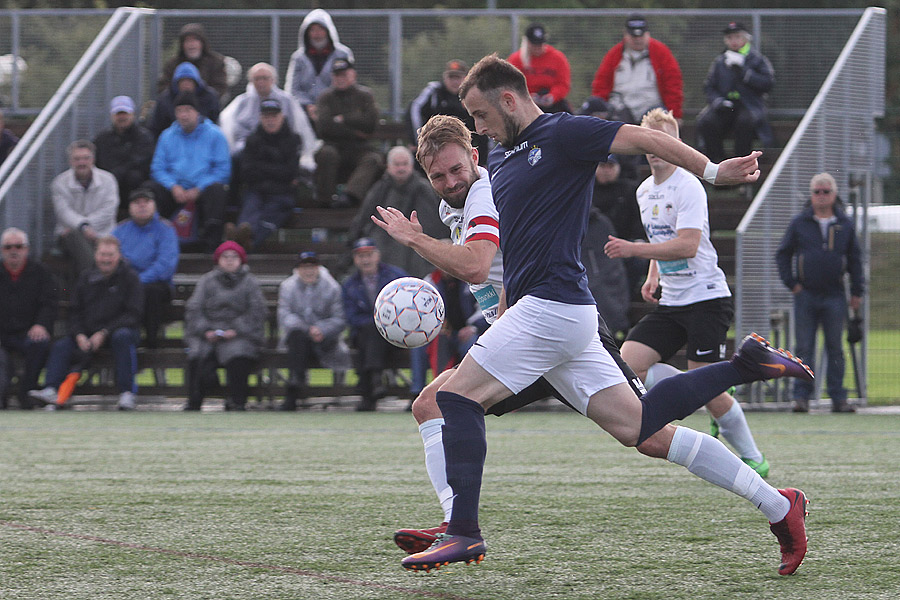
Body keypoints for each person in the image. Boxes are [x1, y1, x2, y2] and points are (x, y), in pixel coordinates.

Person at [391, 54, 810, 575]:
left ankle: (463, 531)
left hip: (552, 307)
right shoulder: (499, 163)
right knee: (642, 430)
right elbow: (491, 265)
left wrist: (713, 170)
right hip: (551, 318)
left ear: (506, 99)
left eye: (479, 115)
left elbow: (646, 138)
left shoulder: (565, 134)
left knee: (451, 397)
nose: (479, 127)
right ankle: (777, 494)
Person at [604, 108, 770, 477]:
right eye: (650, 141)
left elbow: (687, 245)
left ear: (676, 143)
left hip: (706, 298)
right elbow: (660, 238)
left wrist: (634, 251)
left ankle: (754, 457)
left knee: (707, 389)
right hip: (673, 301)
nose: (656, 149)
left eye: (664, 140)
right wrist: (652, 274)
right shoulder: (644, 190)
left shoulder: (689, 184)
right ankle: (710, 394)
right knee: (626, 365)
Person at [775, 172, 864, 413]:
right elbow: (783, 254)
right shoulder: (800, 223)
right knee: (804, 346)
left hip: (835, 294)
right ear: (811, 195)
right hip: (805, 294)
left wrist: (857, 291)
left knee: (835, 346)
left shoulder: (844, 224)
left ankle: (838, 397)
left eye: (826, 191)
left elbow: (855, 259)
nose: (822, 196)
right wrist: (792, 283)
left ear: (834, 195)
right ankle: (801, 397)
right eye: (817, 192)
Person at [29, 236, 142, 411]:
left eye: (110, 255)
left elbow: (133, 314)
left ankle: (127, 393)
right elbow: (75, 311)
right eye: (102, 254)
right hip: (87, 333)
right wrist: (79, 334)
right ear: (96, 255)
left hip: (119, 332)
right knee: (62, 346)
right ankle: (51, 389)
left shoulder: (130, 278)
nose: (106, 259)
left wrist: (105, 332)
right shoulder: (85, 277)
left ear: (119, 255)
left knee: (123, 337)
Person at [183, 241, 265, 411]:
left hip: (240, 334)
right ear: (218, 260)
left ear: (241, 260)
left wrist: (235, 330)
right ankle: (194, 402)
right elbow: (194, 308)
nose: (229, 260)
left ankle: (237, 401)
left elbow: (256, 311)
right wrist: (206, 330)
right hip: (208, 333)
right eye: (225, 257)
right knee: (197, 356)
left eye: (234, 257)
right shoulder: (206, 281)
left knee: (238, 355)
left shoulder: (250, 283)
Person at [149, 90, 231, 252]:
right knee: (150, 190)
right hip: (174, 190)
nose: (183, 115)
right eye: (179, 111)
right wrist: (173, 186)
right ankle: (154, 241)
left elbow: (223, 170)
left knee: (217, 191)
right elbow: (157, 168)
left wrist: (199, 188)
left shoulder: (215, 135)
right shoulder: (167, 136)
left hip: (203, 191)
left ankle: (210, 246)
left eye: (188, 110)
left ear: (197, 112)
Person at [349, 146, 445, 278]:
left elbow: (435, 225)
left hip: (418, 257)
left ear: (412, 166)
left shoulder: (424, 189)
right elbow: (363, 218)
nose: (401, 168)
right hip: (385, 253)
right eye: (397, 164)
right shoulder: (379, 189)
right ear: (388, 166)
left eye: (405, 164)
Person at [277, 251, 350, 410]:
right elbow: (284, 316)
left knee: (300, 339)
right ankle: (295, 383)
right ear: (298, 269)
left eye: (312, 266)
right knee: (297, 336)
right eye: (304, 267)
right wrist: (308, 330)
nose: (308, 271)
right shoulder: (287, 287)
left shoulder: (332, 287)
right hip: (299, 339)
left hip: (326, 339)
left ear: (318, 267)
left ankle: (293, 389)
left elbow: (340, 319)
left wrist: (321, 329)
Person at [341, 237, 407, 412]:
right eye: (361, 256)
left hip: (395, 333)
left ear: (377, 255)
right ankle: (375, 380)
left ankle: (368, 388)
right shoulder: (349, 284)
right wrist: (378, 323)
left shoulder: (395, 276)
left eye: (369, 255)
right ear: (355, 259)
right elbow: (351, 317)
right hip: (364, 334)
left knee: (372, 333)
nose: (365, 260)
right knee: (370, 331)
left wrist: (385, 324)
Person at [696, 22, 775, 163]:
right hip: (726, 106)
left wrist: (745, 73)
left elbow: (767, 84)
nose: (734, 41)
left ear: (745, 39)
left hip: (749, 106)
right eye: (730, 37)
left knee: (744, 123)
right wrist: (718, 101)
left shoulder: (757, 60)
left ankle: (741, 167)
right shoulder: (720, 62)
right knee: (706, 122)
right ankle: (717, 165)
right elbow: (709, 87)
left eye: (737, 37)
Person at [218, 62, 318, 171]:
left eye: (264, 78)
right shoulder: (242, 102)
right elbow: (232, 129)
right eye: (257, 79)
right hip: (250, 147)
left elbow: (298, 127)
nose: (261, 82)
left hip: (281, 146)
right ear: (251, 81)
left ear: (273, 80)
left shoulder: (287, 100)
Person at [112, 189, 179, 349]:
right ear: (129, 207)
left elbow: (165, 265)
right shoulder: (120, 230)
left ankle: (151, 343)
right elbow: (114, 258)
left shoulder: (166, 229)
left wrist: (139, 281)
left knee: (151, 292)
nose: (142, 206)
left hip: (156, 284)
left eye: (146, 202)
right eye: (137, 203)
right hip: (126, 282)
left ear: (154, 205)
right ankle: (116, 338)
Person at [231, 98, 302, 250]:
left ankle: (240, 244)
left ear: (281, 117)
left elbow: (290, 172)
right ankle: (242, 241)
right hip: (257, 190)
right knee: (249, 214)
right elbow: (247, 172)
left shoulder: (293, 140)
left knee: (271, 214)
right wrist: (276, 169)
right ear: (260, 118)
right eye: (266, 117)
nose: (270, 121)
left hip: (281, 195)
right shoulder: (252, 140)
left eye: (274, 116)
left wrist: (262, 168)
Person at [0, 228, 58, 409]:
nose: (13, 251)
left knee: (39, 343)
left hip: (28, 332)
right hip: (2, 334)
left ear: (27, 249)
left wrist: (41, 324)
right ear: (2, 250)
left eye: (18, 246)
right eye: (8, 247)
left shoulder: (41, 272)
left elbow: (49, 303)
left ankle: (27, 392)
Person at [314, 59, 383, 209]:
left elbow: (370, 124)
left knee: (373, 159)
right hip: (334, 146)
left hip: (359, 148)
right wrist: (355, 131)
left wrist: (343, 119)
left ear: (353, 75)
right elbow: (324, 127)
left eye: (344, 75)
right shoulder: (325, 97)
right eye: (337, 75)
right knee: (326, 154)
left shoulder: (365, 96)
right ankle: (325, 201)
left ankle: (350, 196)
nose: (340, 79)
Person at [591, 14, 683, 124]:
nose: (638, 40)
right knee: (593, 106)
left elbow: (673, 85)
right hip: (620, 109)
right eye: (633, 36)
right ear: (625, 34)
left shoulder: (661, 53)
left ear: (648, 34)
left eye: (641, 35)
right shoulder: (614, 55)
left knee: (659, 121)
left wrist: (675, 114)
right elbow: (601, 84)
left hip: (651, 109)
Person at [51, 139, 119, 274]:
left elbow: (108, 210)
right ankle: (96, 274)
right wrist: (83, 227)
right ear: (70, 161)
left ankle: (91, 279)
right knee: (74, 236)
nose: (82, 163)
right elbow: (63, 212)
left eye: (86, 158)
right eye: (77, 159)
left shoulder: (108, 180)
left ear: (93, 159)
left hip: (102, 234)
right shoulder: (59, 182)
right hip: (70, 235)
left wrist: (87, 227)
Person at [407, 59, 489, 165]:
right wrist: (418, 141)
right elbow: (414, 109)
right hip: (434, 149)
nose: (454, 82)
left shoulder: (472, 96)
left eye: (458, 77)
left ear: (466, 78)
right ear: (444, 78)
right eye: (451, 77)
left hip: (466, 151)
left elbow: (484, 126)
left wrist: (484, 159)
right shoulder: (434, 92)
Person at [590, 154, 646, 302]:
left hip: (624, 246)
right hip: (591, 250)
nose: (606, 170)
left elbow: (638, 224)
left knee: (638, 261)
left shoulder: (631, 191)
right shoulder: (587, 191)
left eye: (611, 166)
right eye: (602, 166)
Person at [285, 8, 355, 122]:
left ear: (328, 31)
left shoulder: (343, 54)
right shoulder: (298, 58)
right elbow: (293, 89)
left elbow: (348, 84)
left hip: (336, 111)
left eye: (320, 29)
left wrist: (326, 106)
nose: (316, 34)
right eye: (312, 30)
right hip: (304, 114)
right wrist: (308, 105)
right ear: (306, 33)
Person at [92, 95, 156, 216]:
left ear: (132, 114)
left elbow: (139, 162)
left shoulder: (144, 137)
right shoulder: (101, 139)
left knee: (133, 177)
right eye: (118, 113)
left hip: (131, 185)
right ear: (112, 116)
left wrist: (114, 175)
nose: (122, 117)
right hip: (107, 182)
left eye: (125, 113)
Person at [507, 24, 572, 114]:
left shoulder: (558, 58)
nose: (538, 47)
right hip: (525, 104)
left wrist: (552, 96)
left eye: (540, 44)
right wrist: (529, 97)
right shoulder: (516, 59)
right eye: (534, 44)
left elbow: (563, 84)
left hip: (553, 104)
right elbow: (511, 85)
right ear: (527, 42)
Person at [149, 62, 221, 138]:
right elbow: (156, 128)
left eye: (189, 81)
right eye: (182, 81)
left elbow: (215, 121)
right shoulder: (165, 100)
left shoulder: (209, 97)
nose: (186, 84)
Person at [158, 22, 228, 100]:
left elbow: (220, 88)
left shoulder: (216, 62)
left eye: (195, 40)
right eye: (187, 41)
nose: (191, 45)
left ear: (202, 42)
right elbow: (163, 88)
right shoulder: (172, 64)